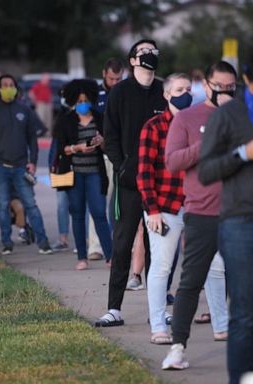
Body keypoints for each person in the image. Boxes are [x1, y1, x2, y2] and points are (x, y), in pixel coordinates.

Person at [161, 60, 236, 370]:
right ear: (206, 86)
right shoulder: (188, 119)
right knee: (190, 283)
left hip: (240, 214)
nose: (226, 93)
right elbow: (173, 161)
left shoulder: (244, 116)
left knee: (249, 284)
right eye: (220, 87)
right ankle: (177, 348)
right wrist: (205, 145)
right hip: (202, 213)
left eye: (232, 88)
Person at [198, 50, 253, 384]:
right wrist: (242, 153)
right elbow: (206, 171)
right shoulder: (228, 115)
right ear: (247, 81)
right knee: (245, 315)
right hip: (241, 225)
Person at [95, 38, 167, 327]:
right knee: (123, 242)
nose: (150, 55)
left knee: (158, 246)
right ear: (133, 60)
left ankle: (158, 309)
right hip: (130, 181)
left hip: (161, 182)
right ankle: (114, 308)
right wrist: (123, 166)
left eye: (154, 51)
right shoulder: (120, 93)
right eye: (144, 52)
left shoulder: (164, 91)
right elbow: (109, 134)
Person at [137, 73, 192, 344]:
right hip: (164, 206)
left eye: (189, 89)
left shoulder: (196, 123)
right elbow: (144, 172)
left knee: (215, 267)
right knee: (161, 267)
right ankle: (158, 326)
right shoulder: (154, 126)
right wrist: (153, 210)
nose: (186, 94)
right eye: (179, 89)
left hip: (195, 204)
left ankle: (222, 323)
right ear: (167, 94)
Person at [0, 73, 53, 255]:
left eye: (11, 84)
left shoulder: (24, 109)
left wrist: (33, 162)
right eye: (4, 85)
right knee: (2, 206)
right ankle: (6, 243)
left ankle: (43, 242)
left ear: (16, 88)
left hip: (21, 166)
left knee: (31, 204)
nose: (8, 88)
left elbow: (32, 138)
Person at [54, 79, 112, 270]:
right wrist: (76, 148)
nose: (82, 104)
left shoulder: (100, 117)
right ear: (72, 101)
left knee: (98, 212)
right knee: (77, 213)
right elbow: (61, 148)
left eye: (85, 100)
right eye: (78, 101)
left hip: (95, 171)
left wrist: (102, 141)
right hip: (74, 173)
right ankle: (81, 256)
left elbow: (109, 145)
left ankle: (110, 255)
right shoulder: (65, 120)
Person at [87, 57, 124, 261]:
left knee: (121, 204)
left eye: (119, 78)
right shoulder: (95, 96)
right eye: (111, 78)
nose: (115, 83)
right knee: (99, 202)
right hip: (100, 156)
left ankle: (119, 244)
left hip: (121, 155)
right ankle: (96, 246)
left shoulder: (127, 93)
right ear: (104, 74)